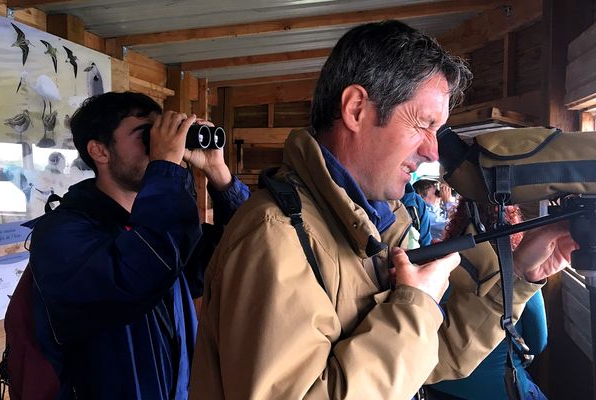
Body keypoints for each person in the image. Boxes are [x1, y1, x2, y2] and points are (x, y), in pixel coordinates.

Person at [190, 20, 576, 399]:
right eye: (423, 124)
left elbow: (425, 361)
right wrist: (414, 310)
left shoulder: (371, 221)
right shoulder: (274, 237)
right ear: (356, 109)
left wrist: (522, 272)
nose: (433, 151)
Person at [27, 92, 250, 399]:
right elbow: (135, 276)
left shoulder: (162, 229)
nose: (159, 144)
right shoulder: (60, 233)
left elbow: (246, 248)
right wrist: (166, 167)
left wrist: (218, 174)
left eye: (161, 133)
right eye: (146, 135)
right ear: (100, 151)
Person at [428, 200, 548, 400]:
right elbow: (538, 344)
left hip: (437, 388)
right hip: (500, 390)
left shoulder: (435, 267)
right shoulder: (524, 278)